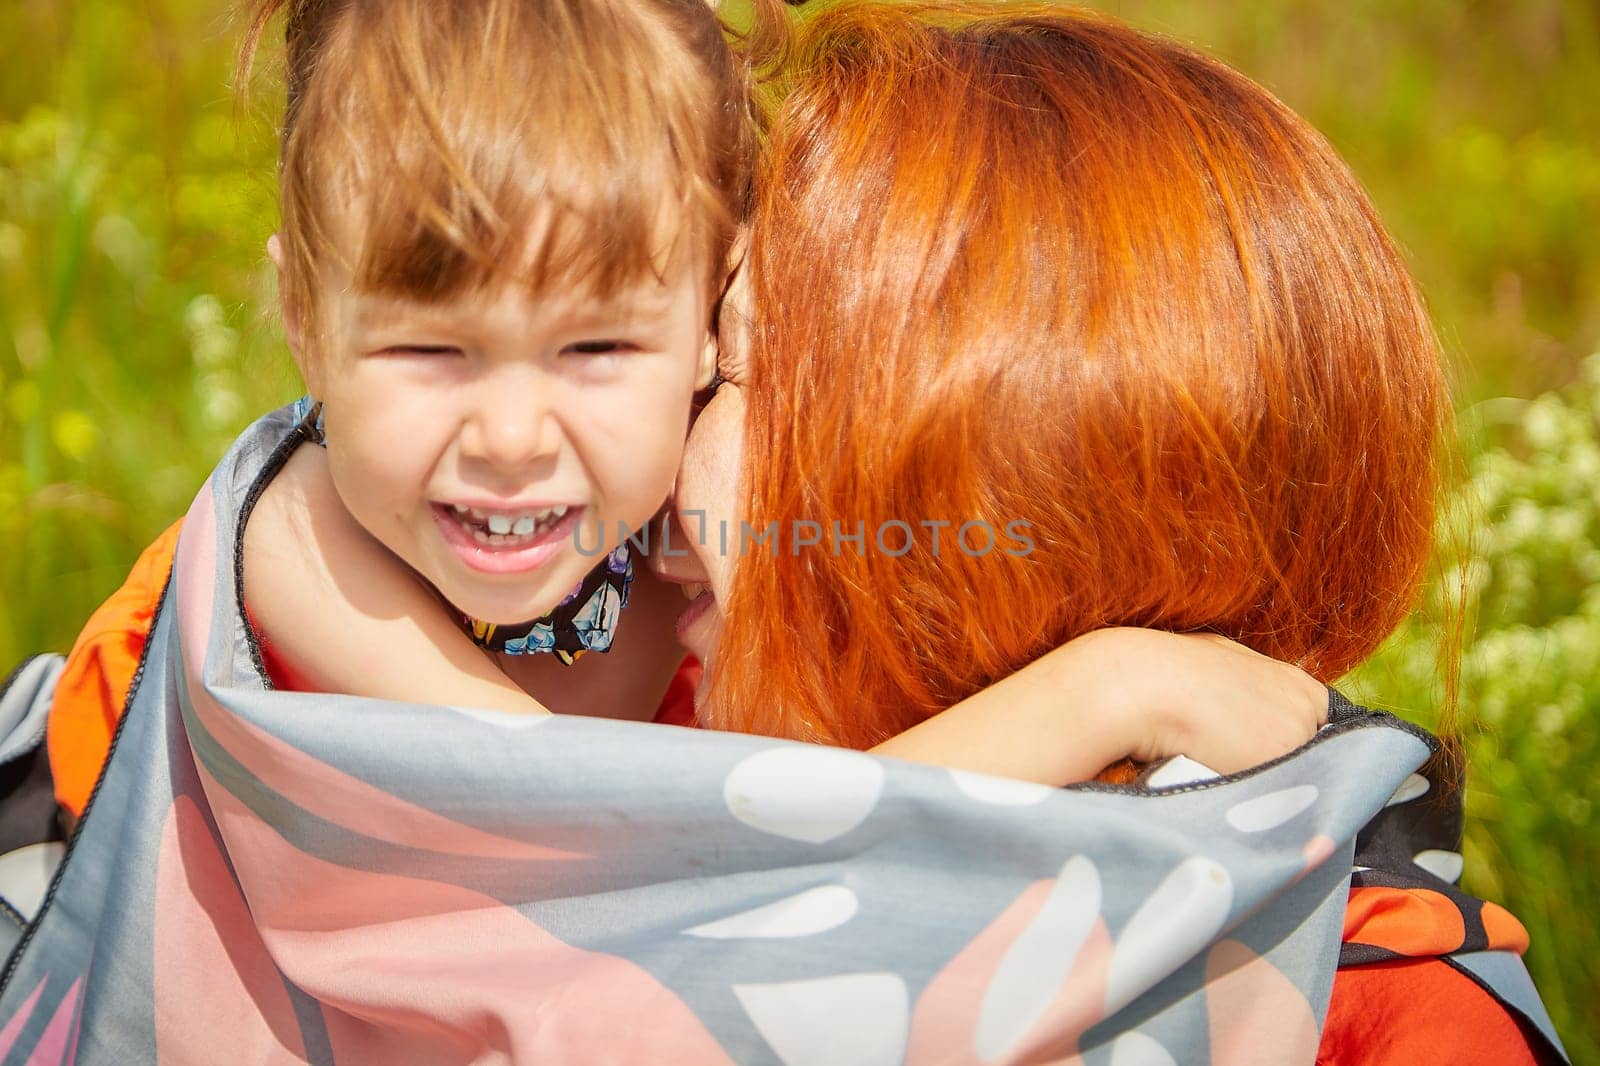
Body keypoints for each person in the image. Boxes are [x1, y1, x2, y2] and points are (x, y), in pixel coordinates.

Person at [652, 2, 1566, 1062]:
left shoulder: (1381, 1027)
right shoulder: (659, 751)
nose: (664, 449)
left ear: (975, 467)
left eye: (730, 370)